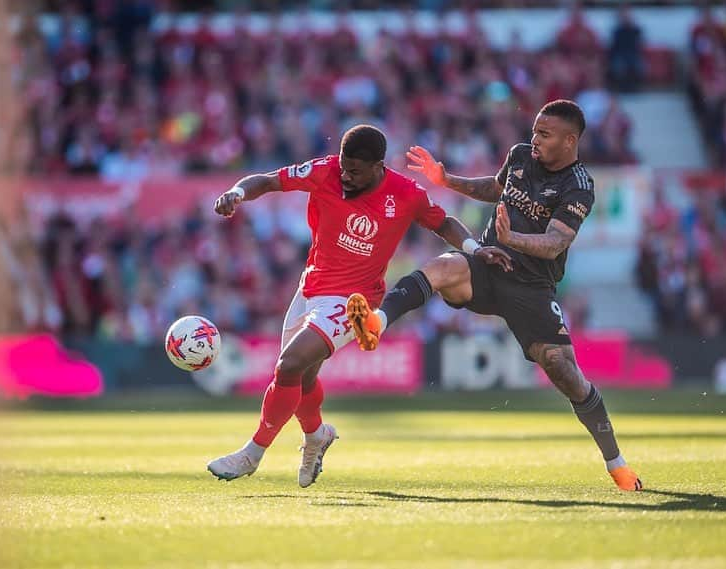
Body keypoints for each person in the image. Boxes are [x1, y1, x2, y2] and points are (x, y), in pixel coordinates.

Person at [345, 100, 643, 491]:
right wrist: (447, 179)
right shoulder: (521, 155)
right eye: (535, 130)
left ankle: (617, 464)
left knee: (563, 370)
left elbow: (555, 243)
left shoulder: (579, 186)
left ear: (570, 141)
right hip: (489, 263)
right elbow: (495, 187)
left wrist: (513, 237)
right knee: (443, 266)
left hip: (532, 286)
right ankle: (375, 323)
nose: (534, 139)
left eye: (545, 134)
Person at [208, 124, 511, 487]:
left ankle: (251, 454)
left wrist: (475, 249)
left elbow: (443, 222)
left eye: (355, 171)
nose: (346, 176)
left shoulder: (405, 193)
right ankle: (317, 435)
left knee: (289, 365)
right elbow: (269, 180)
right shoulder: (326, 171)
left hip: (355, 299)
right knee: (303, 377)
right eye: (344, 167)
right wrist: (237, 191)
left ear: (378, 166)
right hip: (310, 288)